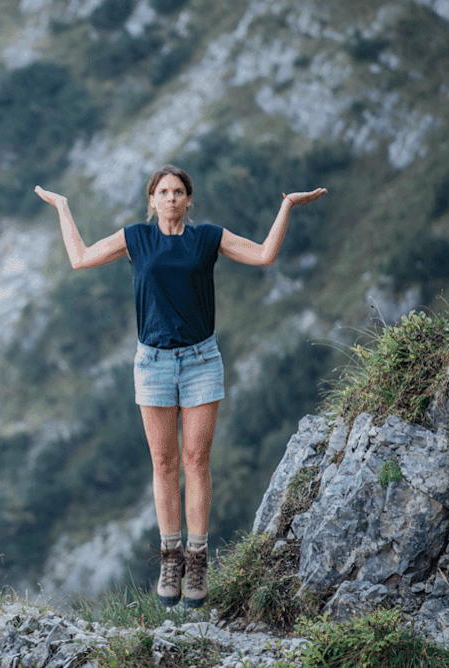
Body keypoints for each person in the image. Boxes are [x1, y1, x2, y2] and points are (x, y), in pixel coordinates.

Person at [34, 166, 326, 608]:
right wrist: (63, 206)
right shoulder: (136, 238)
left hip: (201, 361)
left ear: (189, 199)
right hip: (152, 363)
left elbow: (265, 254)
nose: (171, 198)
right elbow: (81, 258)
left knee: (196, 461)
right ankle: (170, 559)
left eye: (178, 191)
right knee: (163, 462)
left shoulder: (207, 238)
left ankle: (197, 559)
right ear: (152, 200)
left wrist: (287, 206)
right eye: (163, 191)